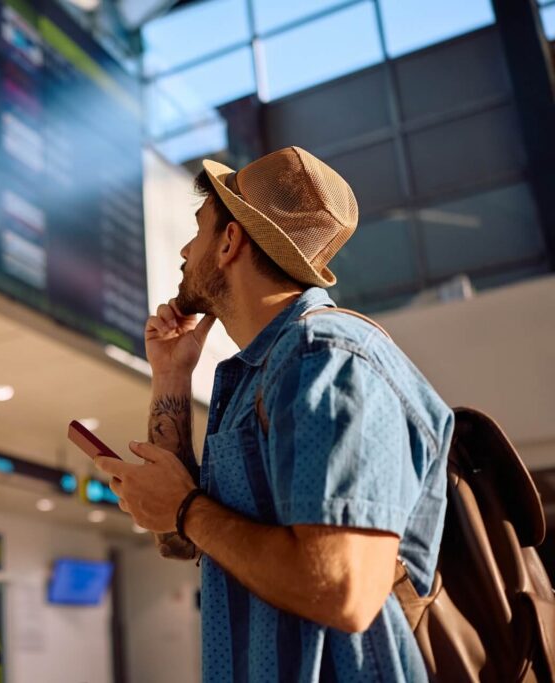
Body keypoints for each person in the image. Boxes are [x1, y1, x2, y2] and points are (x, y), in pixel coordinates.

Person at [96, 147, 454, 681]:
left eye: (198, 229)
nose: (186, 250)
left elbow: (343, 590)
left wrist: (188, 508)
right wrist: (172, 375)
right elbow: (178, 538)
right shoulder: (261, 374)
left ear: (230, 242)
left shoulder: (328, 357)